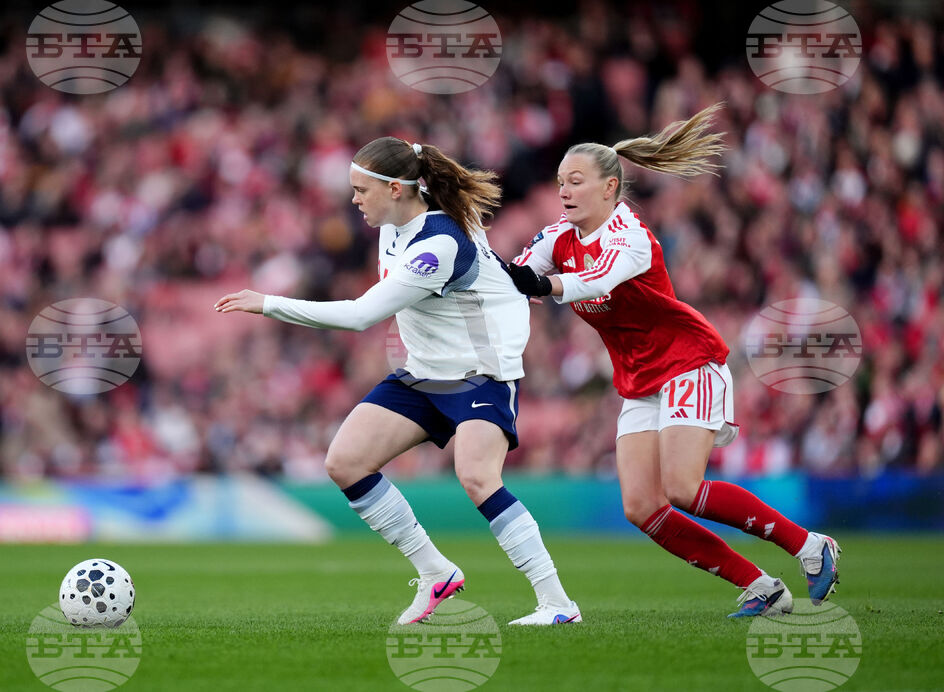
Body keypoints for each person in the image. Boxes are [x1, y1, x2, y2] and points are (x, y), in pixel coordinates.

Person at [215, 137, 581, 625]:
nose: (353, 199)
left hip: (480, 376)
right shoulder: (394, 221)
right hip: (425, 373)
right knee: (345, 462)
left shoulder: (439, 245)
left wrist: (268, 302)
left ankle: (558, 605)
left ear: (395, 189)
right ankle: (435, 573)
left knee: (476, 477)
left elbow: (361, 315)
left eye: (361, 189)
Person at [506, 103, 840, 618]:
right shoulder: (559, 237)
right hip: (639, 380)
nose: (564, 192)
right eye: (559, 183)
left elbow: (593, 282)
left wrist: (541, 285)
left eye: (575, 182)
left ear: (610, 188)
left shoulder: (630, 237)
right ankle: (761, 587)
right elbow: (516, 276)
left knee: (682, 487)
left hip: (689, 362)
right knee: (641, 506)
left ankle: (810, 546)